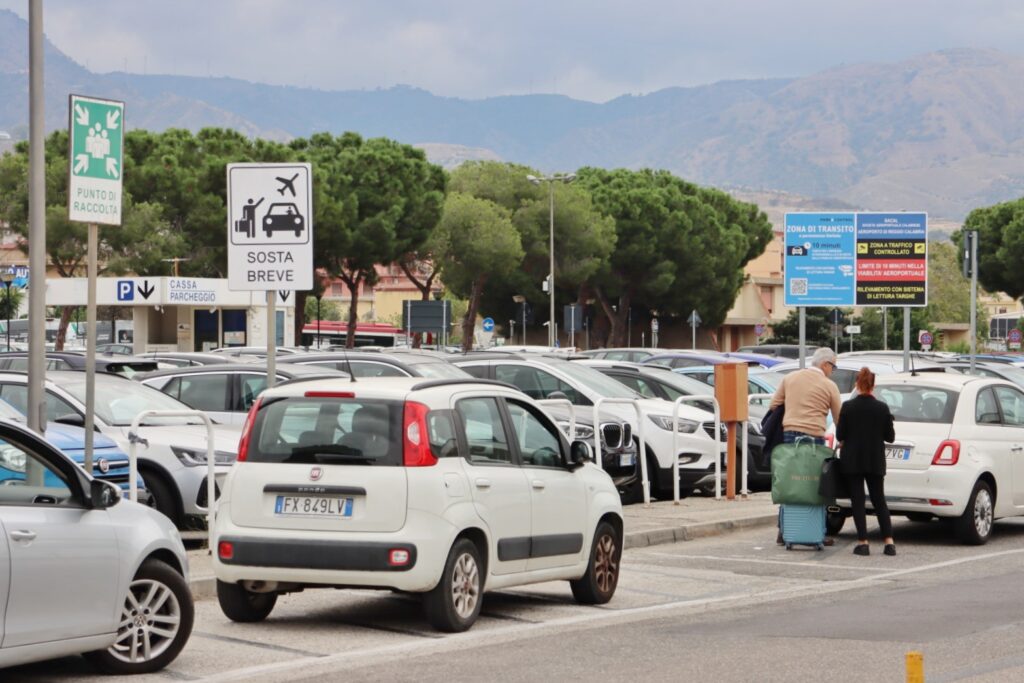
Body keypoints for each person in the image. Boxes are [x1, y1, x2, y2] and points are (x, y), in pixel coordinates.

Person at [768, 347, 842, 545]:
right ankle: (817, 530)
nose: (832, 371)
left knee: (789, 482)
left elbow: (774, 405)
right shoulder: (829, 386)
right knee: (814, 484)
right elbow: (838, 418)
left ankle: (783, 531)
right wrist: (842, 440)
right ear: (825, 364)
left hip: (790, 434)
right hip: (814, 438)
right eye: (833, 366)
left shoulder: (790, 378)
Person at [836, 367, 896, 556]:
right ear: (873, 385)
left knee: (858, 501)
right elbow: (890, 437)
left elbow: (840, 434)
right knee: (879, 500)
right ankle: (889, 543)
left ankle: (863, 542)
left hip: (852, 461)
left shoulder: (848, 407)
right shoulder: (882, 408)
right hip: (875, 460)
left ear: (857, 384)